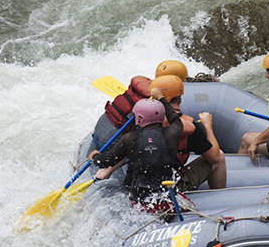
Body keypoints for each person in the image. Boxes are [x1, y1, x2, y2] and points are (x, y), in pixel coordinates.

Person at [96, 73, 227, 191]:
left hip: (138, 184)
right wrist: (208, 125)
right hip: (171, 186)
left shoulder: (146, 120)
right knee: (220, 156)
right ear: (179, 97)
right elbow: (214, 157)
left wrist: (108, 171)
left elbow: (130, 147)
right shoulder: (188, 127)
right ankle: (217, 198)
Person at [89, 87, 184, 208]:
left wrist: (95, 156)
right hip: (168, 196)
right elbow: (175, 118)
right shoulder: (173, 132)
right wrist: (161, 98)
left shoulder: (129, 138)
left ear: (139, 118)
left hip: (141, 200)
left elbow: (106, 161)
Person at [91, 60, 188, 149]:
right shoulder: (154, 103)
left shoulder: (142, 86)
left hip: (100, 127)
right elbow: (172, 127)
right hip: (111, 139)